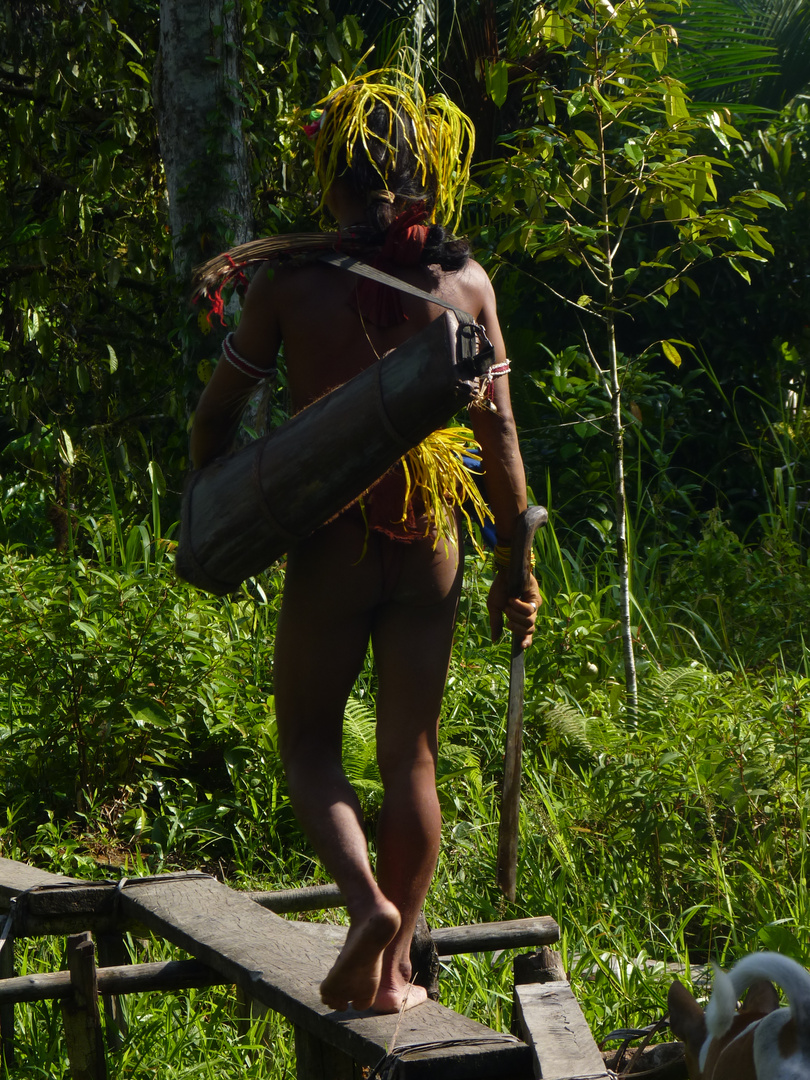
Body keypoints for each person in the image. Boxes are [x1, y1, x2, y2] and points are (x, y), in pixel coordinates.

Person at [190, 73, 540, 1015]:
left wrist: (208, 492)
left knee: (306, 742)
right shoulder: (465, 285)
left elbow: (218, 413)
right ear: (424, 166)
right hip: (432, 539)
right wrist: (518, 562)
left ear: (332, 176)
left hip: (334, 536)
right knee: (411, 757)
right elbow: (500, 436)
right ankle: (388, 981)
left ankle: (368, 909)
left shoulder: (290, 283)